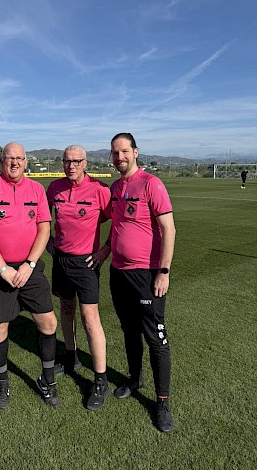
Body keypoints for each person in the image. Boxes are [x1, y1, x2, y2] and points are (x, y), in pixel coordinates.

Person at [0, 142, 60, 409]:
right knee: (0, 327)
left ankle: (47, 380)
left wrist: (29, 264)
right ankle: (2, 380)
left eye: (19, 158)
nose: (14, 162)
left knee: (49, 323)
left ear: (26, 162)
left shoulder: (36, 189)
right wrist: (3, 269)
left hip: (29, 269)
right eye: (9, 158)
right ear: (1, 161)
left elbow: (44, 229)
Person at [100, 133, 176, 432]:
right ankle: (134, 380)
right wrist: (106, 250)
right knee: (129, 331)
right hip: (119, 273)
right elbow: (118, 226)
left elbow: (168, 229)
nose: (119, 157)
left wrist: (163, 271)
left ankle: (162, 402)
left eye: (124, 151)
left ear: (135, 152)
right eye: (115, 152)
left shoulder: (150, 184)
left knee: (155, 338)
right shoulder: (116, 187)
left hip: (147, 274)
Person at [46, 145, 111, 410]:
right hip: (61, 260)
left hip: (86, 263)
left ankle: (100, 380)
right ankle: (71, 358)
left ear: (85, 163)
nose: (71, 165)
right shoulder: (55, 188)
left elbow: (118, 222)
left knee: (89, 317)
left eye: (76, 161)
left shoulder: (99, 190)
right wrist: (48, 243)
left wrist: (104, 250)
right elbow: (40, 217)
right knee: (66, 308)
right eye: (67, 161)